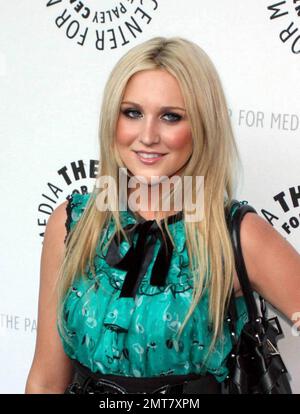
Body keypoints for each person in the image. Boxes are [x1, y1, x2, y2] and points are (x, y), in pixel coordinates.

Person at [25, 36, 300, 394]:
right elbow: (46, 380)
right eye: (133, 113)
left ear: (202, 125)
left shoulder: (237, 235)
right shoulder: (73, 224)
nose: (148, 135)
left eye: (171, 116)